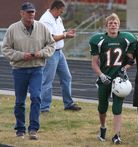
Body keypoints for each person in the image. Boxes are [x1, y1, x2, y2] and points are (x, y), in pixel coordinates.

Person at [1, 2, 55, 140]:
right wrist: (21, 55)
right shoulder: (13, 29)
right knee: (20, 101)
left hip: (37, 68)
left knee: (36, 97)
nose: (31, 15)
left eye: (33, 12)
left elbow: (51, 44)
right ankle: (20, 129)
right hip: (19, 70)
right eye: (28, 12)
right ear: (22, 13)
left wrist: (42, 53)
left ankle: (33, 129)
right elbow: (6, 49)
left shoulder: (42, 28)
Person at [89, 13, 136, 144]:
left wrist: (124, 69)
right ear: (106, 26)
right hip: (105, 78)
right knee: (102, 107)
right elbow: (93, 63)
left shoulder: (126, 39)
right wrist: (101, 75)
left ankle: (116, 135)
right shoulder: (99, 40)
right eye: (110, 23)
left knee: (117, 108)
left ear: (119, 25)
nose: (113, 25)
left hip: (119, 80)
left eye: (115, 23)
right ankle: (103, 128)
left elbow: (131, 61)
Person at [39, 0, 81, 112]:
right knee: (47, 80)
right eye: (61, 11)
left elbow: (61, 33)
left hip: (59, 52)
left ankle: (68, 104)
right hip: (50, 52)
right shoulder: (46, 20)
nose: (61, 14)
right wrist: (65, 35)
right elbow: (50, 38)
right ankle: (44, 107)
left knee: (67, 77)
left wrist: (67, 33)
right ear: (55, 9)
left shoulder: (57, 18)